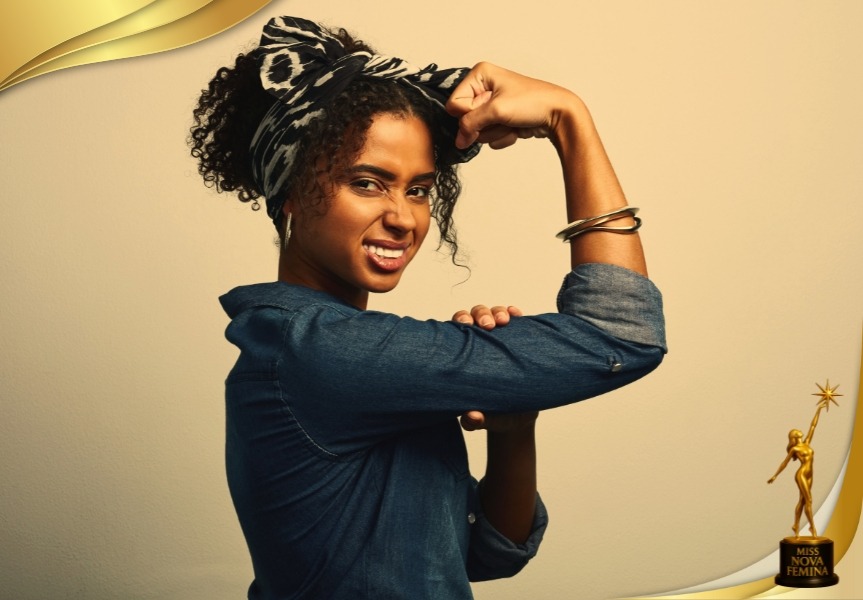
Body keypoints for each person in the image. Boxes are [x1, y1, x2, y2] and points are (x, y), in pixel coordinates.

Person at [190, 16, 666, 600]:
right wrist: (570, 119)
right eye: (367, 182)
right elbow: (622, 333)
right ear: (290, 193)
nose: (404, 217)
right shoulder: (322, 352)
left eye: (418, 188)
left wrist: (513, 425)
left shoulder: (334, 353)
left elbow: (487, 551)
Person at [767, 399, 830, 538]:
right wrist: (775, 475)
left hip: (810, 474)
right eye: (796, 431)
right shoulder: (795, 449)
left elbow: (813, 426)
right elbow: (785, 462)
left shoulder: (807, 443)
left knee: (802, 501)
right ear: (794, 436)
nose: (799, 431)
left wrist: (818, 410)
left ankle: (796, 525)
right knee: (809, 501)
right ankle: (812, 528)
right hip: (801, 474)